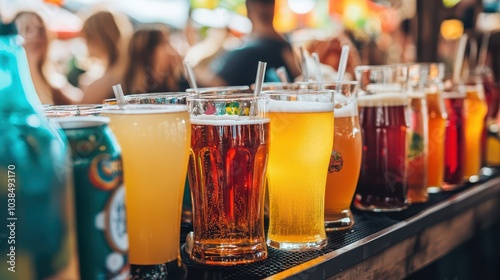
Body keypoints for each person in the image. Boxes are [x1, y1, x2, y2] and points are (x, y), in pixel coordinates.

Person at [200, 0, 301, 87]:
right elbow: (299, 78)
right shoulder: (286, 47)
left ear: (248, 10)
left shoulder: (244, 52)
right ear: (274, 8)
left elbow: (215, 85)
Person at [14, 11, 79, 105]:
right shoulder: (9, 81)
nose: (22, 37)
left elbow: (79, 104)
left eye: (29, 30)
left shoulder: (53, 79)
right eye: (19, 30)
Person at [77, 10, 131, 103]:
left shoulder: (108, 81)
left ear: (97, 38)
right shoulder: (127, 70)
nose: (85, 43)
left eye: (86, 37)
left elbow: (83, 111)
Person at [123, 24, 187, 94]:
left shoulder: (181, 86)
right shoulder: (124, 93)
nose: (172, 51)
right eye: (164, 44)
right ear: (147, 53)